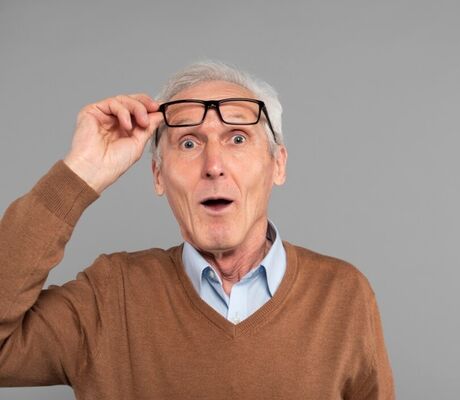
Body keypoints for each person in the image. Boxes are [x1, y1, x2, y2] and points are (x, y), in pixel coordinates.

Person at [0, 61, 395, 399]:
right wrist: (81, 172)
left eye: (237, 137)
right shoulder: (108, 296)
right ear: (158, 175)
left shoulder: (343, 294)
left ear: (277, 164)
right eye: (189, 143)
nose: (213, 165)